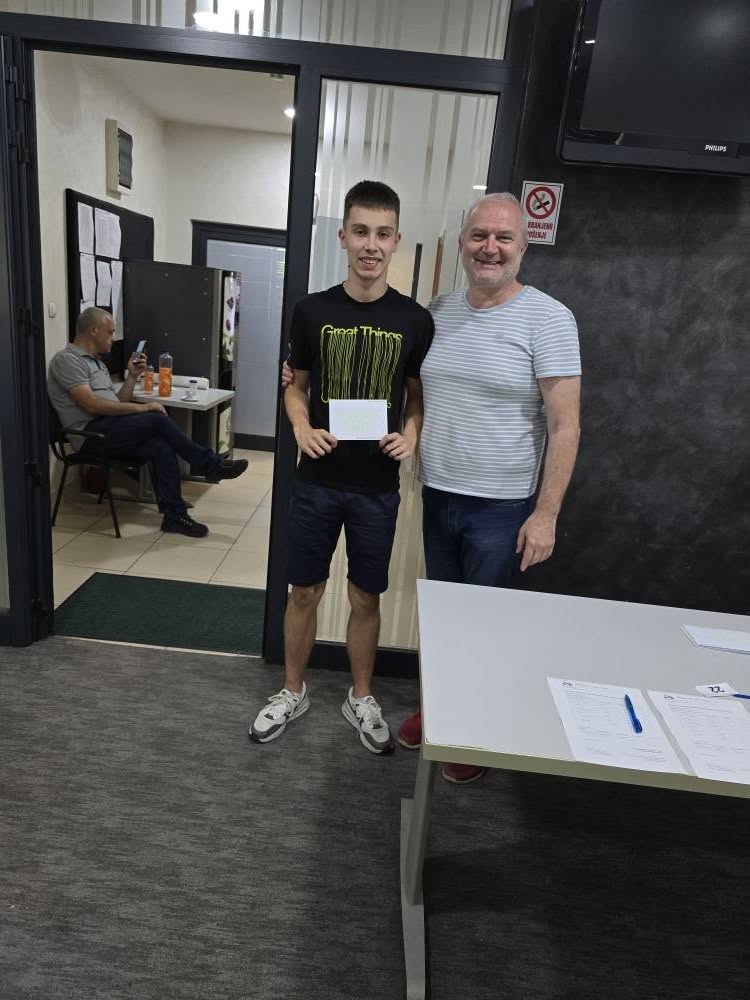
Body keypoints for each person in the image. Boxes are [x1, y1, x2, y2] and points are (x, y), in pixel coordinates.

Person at [398, 192, 581, 783]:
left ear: (523, 248)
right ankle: (439, 711)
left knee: (486, 627)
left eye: (504, 238)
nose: (490, 247)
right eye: (479, 236)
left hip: (502, 508)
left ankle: (472, 732)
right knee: (445, 621)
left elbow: (566, 425)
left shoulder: (549, 319)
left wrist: (546, 514)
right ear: (461, 245)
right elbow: (413, 389)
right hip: (439, 493)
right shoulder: (437, 312)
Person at [249, 180, 433, 754]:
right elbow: (295, 387)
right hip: (317, 481)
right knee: (303, 591)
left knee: (365, 598)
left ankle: (361, 696)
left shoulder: (414, 320)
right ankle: (292, 690)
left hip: (376, 486)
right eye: (360, 232)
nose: (371, 244)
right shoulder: (312, 311)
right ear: (343, 237)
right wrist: (301, 428)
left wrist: (411, 435)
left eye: (382, 234)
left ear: (396, 240)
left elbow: (417, 399)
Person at [48, 306, 248, 538]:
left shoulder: (97, 363)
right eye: (110, 332)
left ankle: (175, 516)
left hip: (109, 429)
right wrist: (143, 407)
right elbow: (92, 405)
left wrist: (132, 377)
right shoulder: (66, 360)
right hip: (90, 436)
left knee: (159, 446)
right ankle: (210, 465)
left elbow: (117, 402)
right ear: (93, 330)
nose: (113, 338)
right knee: (155, 420)